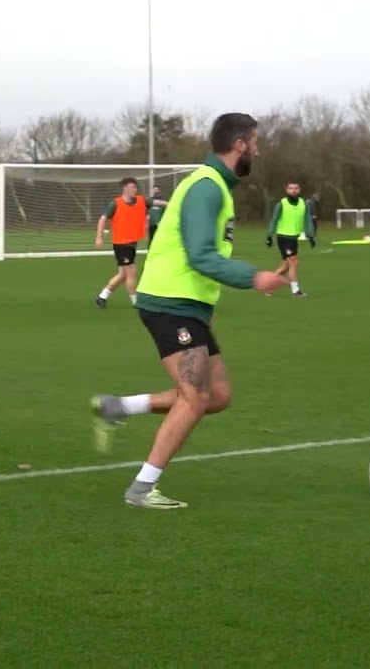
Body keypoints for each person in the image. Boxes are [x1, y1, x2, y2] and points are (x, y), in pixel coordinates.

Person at [88, 112, 287, 509]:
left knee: (218, 395)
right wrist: (254, 277)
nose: (259, 152)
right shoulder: (207, 187)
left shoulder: (217, 187)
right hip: (168, 303)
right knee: (195, 397)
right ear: (240, 145)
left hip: (188, 305)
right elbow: (200, 255)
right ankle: (141, 489)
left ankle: (118, 407)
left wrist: (205, 307)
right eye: (257, 143)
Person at [93, 178, 147, 308]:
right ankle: (135, 301)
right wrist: (99, 237)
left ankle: (102, 296)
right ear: (125, 189)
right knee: (131, 271)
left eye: (136, 187)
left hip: (131, 243)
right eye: (133, 187)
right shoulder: (115, 204)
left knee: (123, 274)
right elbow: (103, 219)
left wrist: (170, 204)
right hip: (122, 244)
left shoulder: (139, 201)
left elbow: (155, 202)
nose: (135, 189)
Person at [263, 181, 310, 297]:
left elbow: (307, 219)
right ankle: (295, 290)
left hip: (294, 238)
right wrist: (269, 236)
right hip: (283, 237)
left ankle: (267, 285)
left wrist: (311, 235)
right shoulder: (281, 204)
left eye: (296, 188)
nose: (293, 190)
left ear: (299, 190)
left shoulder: (303, 204)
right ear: (286, 190)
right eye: (291, 188)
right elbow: (274, 220)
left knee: (286, 265)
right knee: (294, 262)